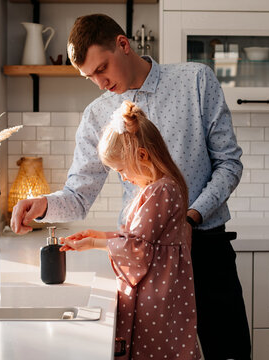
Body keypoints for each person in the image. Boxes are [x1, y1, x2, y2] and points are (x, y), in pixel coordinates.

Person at [10, 14, 250, 359]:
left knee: (230, 352)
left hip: (207, 249)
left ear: (123, 44)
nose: (99, 82)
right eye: (89, 76)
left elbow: (229, 164)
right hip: (145, 263)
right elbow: (78, 197)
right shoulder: (97, 115)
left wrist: (190, 218)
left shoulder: (195, 81)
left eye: (102, 68)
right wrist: (42, 204)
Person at [60, 100, 200, 360]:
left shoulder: (161, 190)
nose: (123, 177)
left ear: (143, 156)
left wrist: (93, 244)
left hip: (157, 293)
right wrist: (100, 236)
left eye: (121, 170)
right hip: (160, 288)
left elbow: (138, 249)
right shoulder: (158, 187)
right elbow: (140, 239)